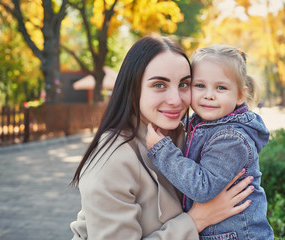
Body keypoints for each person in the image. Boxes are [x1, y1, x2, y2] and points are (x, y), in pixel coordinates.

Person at [70, 35, 255, 240]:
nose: (176, 100)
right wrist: (196, 221)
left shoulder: (188, 136)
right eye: (159, 85)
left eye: (184, 84)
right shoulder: (111, 160)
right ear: (133, 88)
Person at [146, 44, 274, 239]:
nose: (209, 95)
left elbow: (202, 188)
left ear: (240, 95)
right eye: (200, 86)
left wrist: (161, 150)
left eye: (220, 87)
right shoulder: (200, 123)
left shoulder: (231, 138)